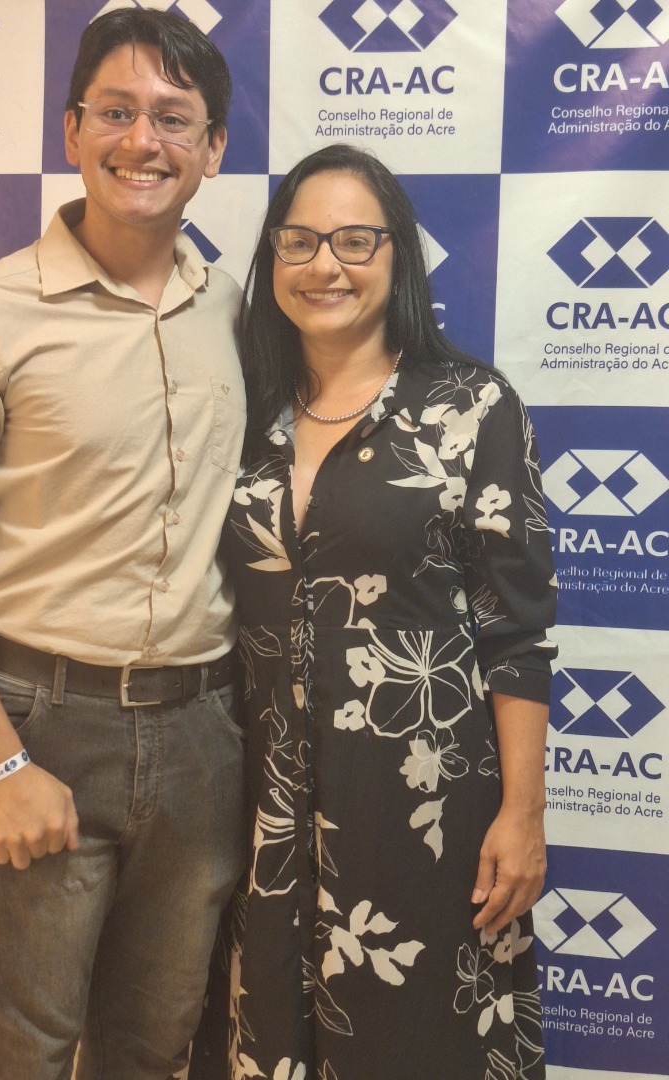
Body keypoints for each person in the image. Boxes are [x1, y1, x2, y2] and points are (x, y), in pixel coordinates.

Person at [0, 9, 246, 1079]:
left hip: (204, 736)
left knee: (154, 1050)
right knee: (23, 1053)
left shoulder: (235, 312)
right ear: (72, 129)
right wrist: (2, 762)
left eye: (173, 118)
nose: (143, 142)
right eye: (116, 112)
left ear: (213, 149)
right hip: (41, 724)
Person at [194, 144, 558, 1079]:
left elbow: (517, 634)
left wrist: (523, 812)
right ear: (272, 256)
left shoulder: (472, 409)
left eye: (355, 241)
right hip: (258, 810)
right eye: (300, 241)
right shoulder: (239, 410)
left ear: (399, 256)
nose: (325, 265)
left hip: (425, 806)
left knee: (420, 1043)